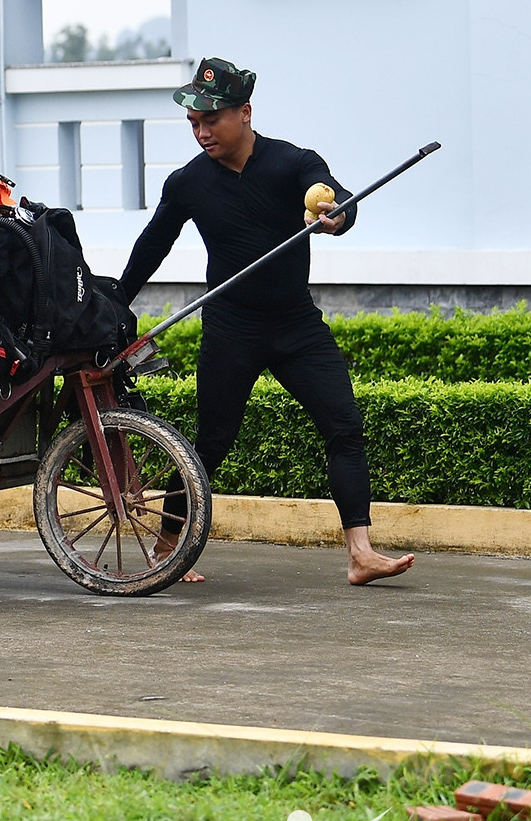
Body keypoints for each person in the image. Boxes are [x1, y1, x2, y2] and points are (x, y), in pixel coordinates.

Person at [117, 57, 414, 586]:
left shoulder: (291, 163)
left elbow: (336, 199)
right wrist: (116, 303)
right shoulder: (188, 183)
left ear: (245, 112)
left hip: (297, 326)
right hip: (231, 329)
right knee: (211, 444)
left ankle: (360, 554)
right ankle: (168, 548)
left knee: (344, 427)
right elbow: (152, 248)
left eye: (212, 119)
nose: (202, 132)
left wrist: (335, 217)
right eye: (193, 123)